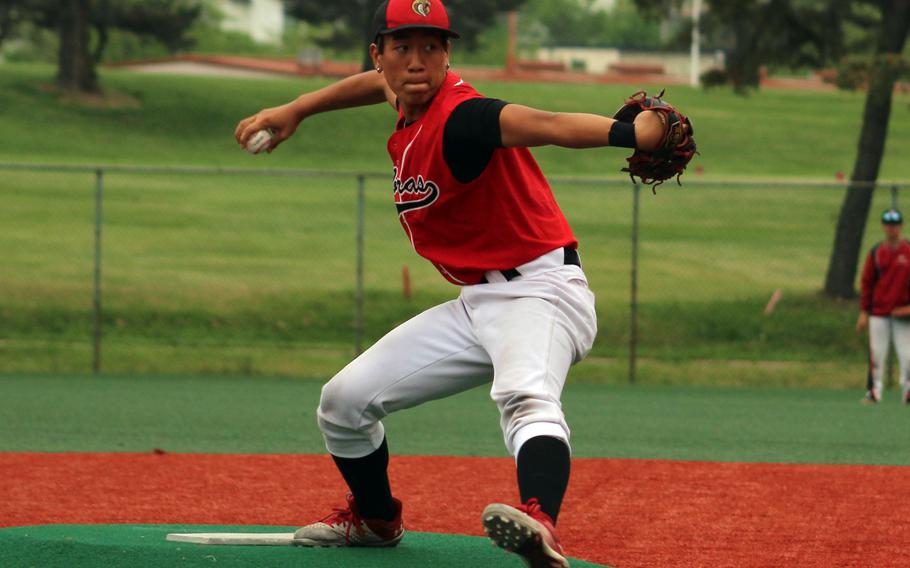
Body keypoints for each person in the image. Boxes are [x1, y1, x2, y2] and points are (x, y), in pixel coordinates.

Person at [235, 0, 683, 565]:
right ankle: (376, 520)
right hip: (478, 302)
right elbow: (373, 89)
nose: (418, 61)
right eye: (403, 47)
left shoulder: (462, 116)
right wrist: (297, 108)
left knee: (526, 398)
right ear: (379, 55)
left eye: (432, 47)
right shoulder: (400, 95)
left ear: (448, 55)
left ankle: (541, 522)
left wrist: (632, 133)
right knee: (343, 402)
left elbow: (544, 125)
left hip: (541, 291)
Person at [857, 208, 910, 405]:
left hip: (902, 314)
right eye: (888, 225)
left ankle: (908, 392)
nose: (892, 229)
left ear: (901, 227)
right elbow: (867, 283)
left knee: (908, 355)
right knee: (876, 354)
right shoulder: (876, 253)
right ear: (883, 227)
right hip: (879, 312)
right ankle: (874, 392)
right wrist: (864, 312)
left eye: (895, 225)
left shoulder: (908, 252)